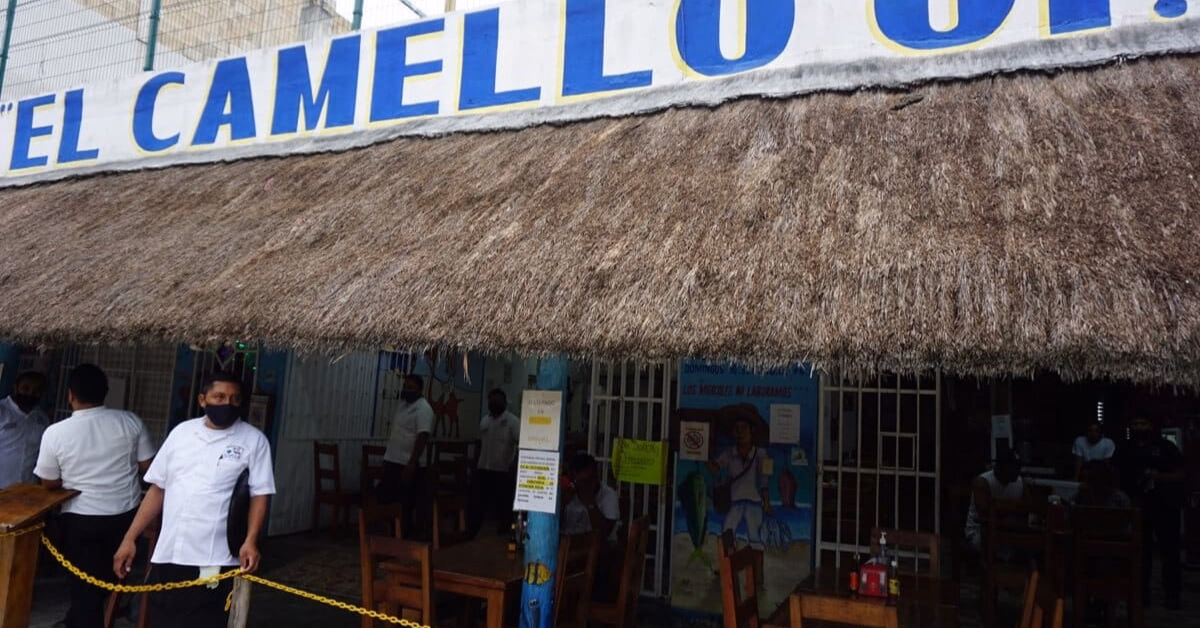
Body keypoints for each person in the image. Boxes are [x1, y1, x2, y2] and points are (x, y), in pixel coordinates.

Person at [113, 371, 275, 628]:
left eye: (234, 399)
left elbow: (260, 495)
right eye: (219, 397)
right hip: (170, 553)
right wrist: (130, 538)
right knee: (162, 620)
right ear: (203, 400)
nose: (227, 404)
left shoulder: (254, 441)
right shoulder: (181, 434)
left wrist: (251, 540)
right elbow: (158, 489)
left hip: (216, 557)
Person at [34, 364, 155, 628]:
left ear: (70, 395)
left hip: (81, 521)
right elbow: (149, 467)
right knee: (106, 579)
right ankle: (76, 619)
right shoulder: (130, 421)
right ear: (105, 393)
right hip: (125, 520)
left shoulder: (56, 433)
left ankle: (82, 620)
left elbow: (49, 481)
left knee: (85, 588)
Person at [1112, 416, 1184, 610]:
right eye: (1135, 423)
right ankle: (1141, 593)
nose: (1139, 427)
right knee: (1140, 552)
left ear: (1151, 425)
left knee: (1169, 551)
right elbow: (1114, 473)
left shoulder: (1165, 447)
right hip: (1137, 506)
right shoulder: (1125, 448)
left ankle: (1172, 594)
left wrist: (1158, 476)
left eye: (1142, 424)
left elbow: (1180, 474)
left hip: (1165, 506)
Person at [378, 374, 434, 539]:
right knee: (387, 499)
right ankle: (391, 536)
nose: (406, 390)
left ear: (419, 390)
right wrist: (386, 461)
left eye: (411, 387)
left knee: (405, 504)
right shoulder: (402, 405)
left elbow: (422, 437)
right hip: (393, 460)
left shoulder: (424, 409)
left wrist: (411, 464)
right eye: (405, 386)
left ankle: (405, 540)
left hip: (408, 464)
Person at [561, 453, 620, 602]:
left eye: (589, 480)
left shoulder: (608, 495)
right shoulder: (570, 494)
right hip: (568, 551)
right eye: (579, 481)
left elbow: (604, 533)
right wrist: (562, 502)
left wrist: (589, 502)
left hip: (595, 554)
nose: (585, 485)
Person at [707, 419, 771, 555]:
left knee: (754, 537)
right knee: (727, 532)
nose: (740, 432)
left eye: (744, 427)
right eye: (737, 428)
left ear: (752, 430)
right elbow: (714, 468)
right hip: (735, 501)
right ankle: (729, 567)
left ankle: (756, 571)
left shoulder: (761, 454)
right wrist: (704, 451)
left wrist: (766, 502)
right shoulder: (730, 453)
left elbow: (765, 480)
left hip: (754, 502)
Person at [468, 389, 520, 537]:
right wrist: (474, 465)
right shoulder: (485, 420)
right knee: (477, 505)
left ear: (504, 402)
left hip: (503, 471)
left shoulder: (513, 422)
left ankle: (504, 536)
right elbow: (479, 443)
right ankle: (472, 534)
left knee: (504, 508)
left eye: (498, 401)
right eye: (492, 401)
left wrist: (514, 465)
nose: (494, 404)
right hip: (484, 468)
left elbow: (521, 445)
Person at [964, 451, 1028, 552]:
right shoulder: (983, 482)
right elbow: (984, 515)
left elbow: (1027, 510)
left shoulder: (1021, 483)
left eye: (1018, 467)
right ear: (1000, 467)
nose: (1016, 470)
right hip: (980, 531)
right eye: (1012, 467)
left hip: (1008, 530)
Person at [0, 371, 48, 488]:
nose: (30, 393)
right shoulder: (2, 411)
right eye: (25, 388)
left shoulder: (42, 419)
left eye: (36, 391)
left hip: (26, 490)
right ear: (15, 388)